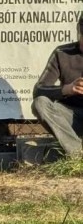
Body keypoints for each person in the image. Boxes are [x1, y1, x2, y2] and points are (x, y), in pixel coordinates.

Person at [32, 16, 83, 158]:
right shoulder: (62, 53)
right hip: (69, 118)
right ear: (79, 32)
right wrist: (67, 89)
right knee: (40, 103)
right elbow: (38, 90)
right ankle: (77, 154)